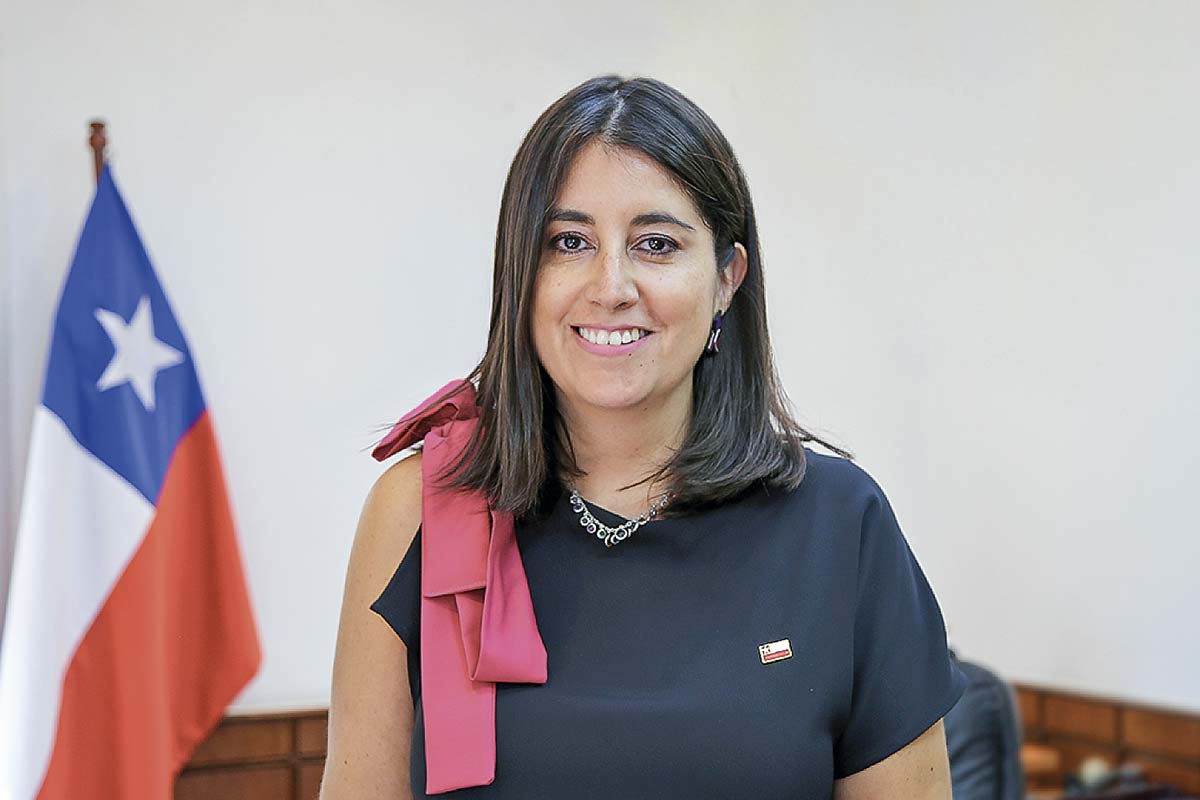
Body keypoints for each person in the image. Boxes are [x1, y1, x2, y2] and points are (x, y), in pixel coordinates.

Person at [321, 74, 967, 799]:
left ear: (727, 279)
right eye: (569, 242)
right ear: (519, 274)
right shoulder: (419, 509)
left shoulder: (843, 525)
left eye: (656, 244)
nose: (611, 286)